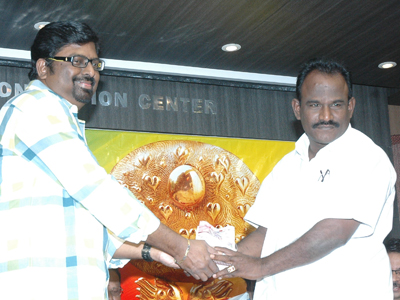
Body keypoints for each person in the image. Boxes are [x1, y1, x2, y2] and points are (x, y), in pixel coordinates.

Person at [0, 21, 218, 299]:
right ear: (44, 68)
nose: (90, 71)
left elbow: (90, 228)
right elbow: (98, 192)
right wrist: (180, 247)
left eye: (94, 63)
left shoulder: (60, 121)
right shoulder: (34, 108)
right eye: (77, 61)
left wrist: (156, 252)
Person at [210, 58, 397, 299]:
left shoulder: (366, 156)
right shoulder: (287, 165)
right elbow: (267, 233)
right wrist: (221, 258)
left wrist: (261, 267)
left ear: (351, 106)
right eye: (315, 105)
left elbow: (336, 230)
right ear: (298, 108)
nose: (326, 115)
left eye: (336, 104)